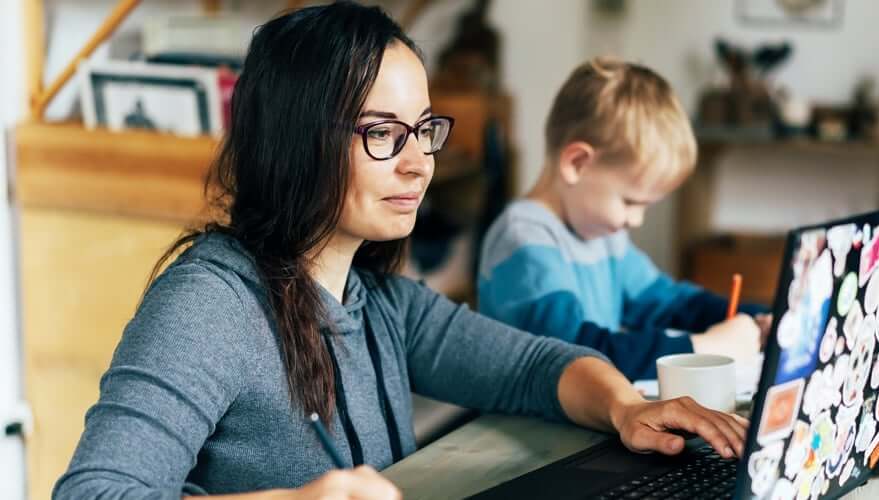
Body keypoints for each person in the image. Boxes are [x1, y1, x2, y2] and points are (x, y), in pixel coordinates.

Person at [54, 4, 749, 499]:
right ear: (301, 139)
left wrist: (626, 409)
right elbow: (95, 490)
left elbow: (535, 365)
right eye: (385, 133)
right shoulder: (209, 303)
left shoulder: (378, 299)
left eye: (423, 130)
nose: (420, 163)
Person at [478, 58, 771, 380]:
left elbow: (669, 303)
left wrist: (759, 318)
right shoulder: (524, 241)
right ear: (577, 163)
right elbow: (578, 355)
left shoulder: (603, 234)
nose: (636, 220)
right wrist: (701, 348)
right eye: (630, 201)